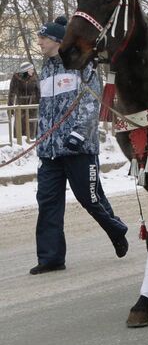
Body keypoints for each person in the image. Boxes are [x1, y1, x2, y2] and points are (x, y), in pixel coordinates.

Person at [31, 16, 129, 275]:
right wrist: (41, 137)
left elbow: (90, 102)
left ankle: (116, 229)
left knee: (90, 198)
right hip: (50, 151)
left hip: (78, 149)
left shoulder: (80, 65)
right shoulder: (46, 68)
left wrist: (78, 135)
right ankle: (51, 257)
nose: (39, 42)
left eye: (43, 37)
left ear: (57, 41)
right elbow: (46, 108)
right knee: (48, 202)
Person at [7, 61, 40, 140]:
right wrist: (10, 108)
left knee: (32, 129)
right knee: (20, 128)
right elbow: (11, 93)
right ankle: (20, 144)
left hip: (32, 106)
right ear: (26, 70)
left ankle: (31, 143)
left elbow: (39, 92)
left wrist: (40, 105)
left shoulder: (35, 78)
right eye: (31, 69)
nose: (33, 70)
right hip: (20, 106)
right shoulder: (16, 78)